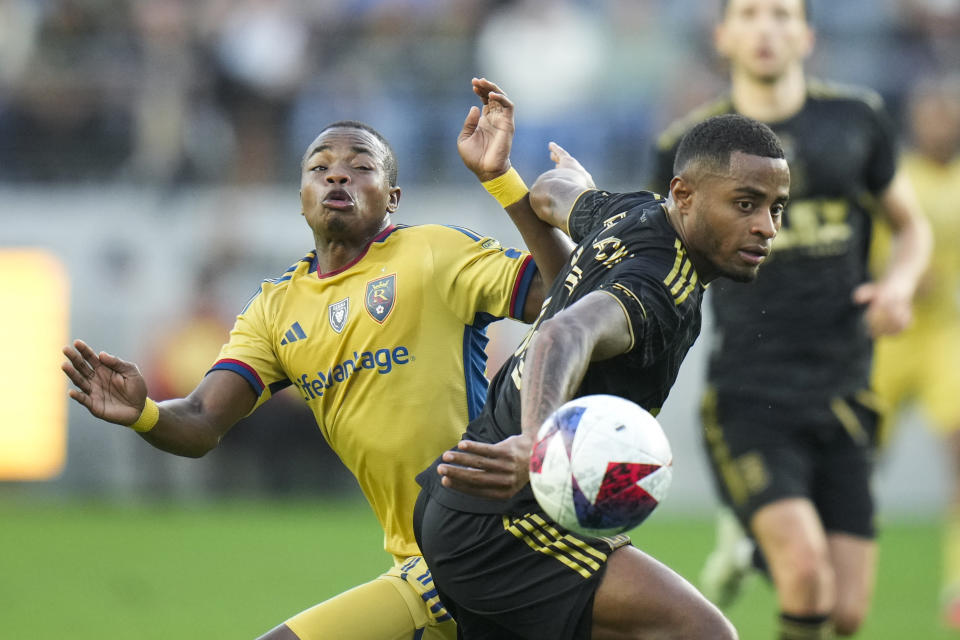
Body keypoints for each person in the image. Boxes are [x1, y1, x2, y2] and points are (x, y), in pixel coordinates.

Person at [61, 78, 573, 640]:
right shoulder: (276, 308)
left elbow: (562, 290)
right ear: (300, 195)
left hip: (494, 537)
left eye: (361, 166)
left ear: (392, 198)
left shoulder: (433, 253)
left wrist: (500, 180)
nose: (337, 173)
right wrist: (145, 413)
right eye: (320, 166)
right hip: (420, 557)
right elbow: (204, 421)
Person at [414, 112, 790, 640]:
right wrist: (536, 443)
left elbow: (553, 194)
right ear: (683, 194)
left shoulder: (630, 212)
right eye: (745, 204)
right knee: (704, 634)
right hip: (504, 527)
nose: (766, 227)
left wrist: (509, 180)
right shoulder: (662, 286)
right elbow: (563, 335)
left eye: (776, 208)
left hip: (469, 507)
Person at [651, 1, 933, 637]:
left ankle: (750, 544)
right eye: (749, 13)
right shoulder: (685, 146)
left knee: (846, 613)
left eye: (781, 13)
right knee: (806, 574)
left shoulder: (857, 120)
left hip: (846, 386)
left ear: (805, 33)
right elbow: (659, 257)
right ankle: (764, 534)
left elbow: (909, 226)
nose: (766, 29)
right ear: (723, 34)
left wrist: (898, 284)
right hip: (750, 395)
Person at [870, 74, 960, 627]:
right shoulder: (895, 178)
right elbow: (868, 254)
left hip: (946, 337)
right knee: (853, 461)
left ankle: (957, 582)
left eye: (947, 113)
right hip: (891, 333)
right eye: (931, 113)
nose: (940, 123)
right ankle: (826, 561)